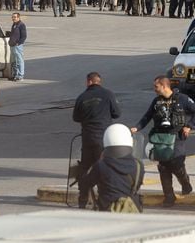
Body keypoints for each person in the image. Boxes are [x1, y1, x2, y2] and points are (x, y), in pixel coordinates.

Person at [131, 76, 195, 206]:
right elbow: (147, 116)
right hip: (161, 137)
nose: (154, 89)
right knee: (163, 167)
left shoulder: (182, 99)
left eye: (156, 86)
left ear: (164, 86)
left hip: (176, 136)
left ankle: (185, 183)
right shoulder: (156, 101)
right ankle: (169, 197)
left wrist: (189, 126)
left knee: (176, 163)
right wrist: (137, 128)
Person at [72, 72, 121, 208]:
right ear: (99, 81)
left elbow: (75, 117)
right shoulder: (108, 94)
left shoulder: (82, 97)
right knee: (104, 168)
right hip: (104, 138)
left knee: (84, 167)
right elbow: (117, 113)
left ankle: (82, 198)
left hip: (88, 138)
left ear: (88, 82)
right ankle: (103, 199)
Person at [79, 124, 144, 212]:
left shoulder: (101, 165)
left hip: (107, 209)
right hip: (131, 209)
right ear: (130, 141)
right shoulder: (138, 165)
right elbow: (137, 185)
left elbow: (87, 183)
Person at [8, 12, 27, 81]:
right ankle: (15, 75)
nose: (13, 18)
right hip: (12, 45)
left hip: (17, 46)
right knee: (14, 61)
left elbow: (24, 36)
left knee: (19, 60)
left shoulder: (21, 25)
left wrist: (18, 43)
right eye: (12, 17)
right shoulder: (14, 24)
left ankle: (20, 75)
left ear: (18, 18)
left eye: (15, 17)